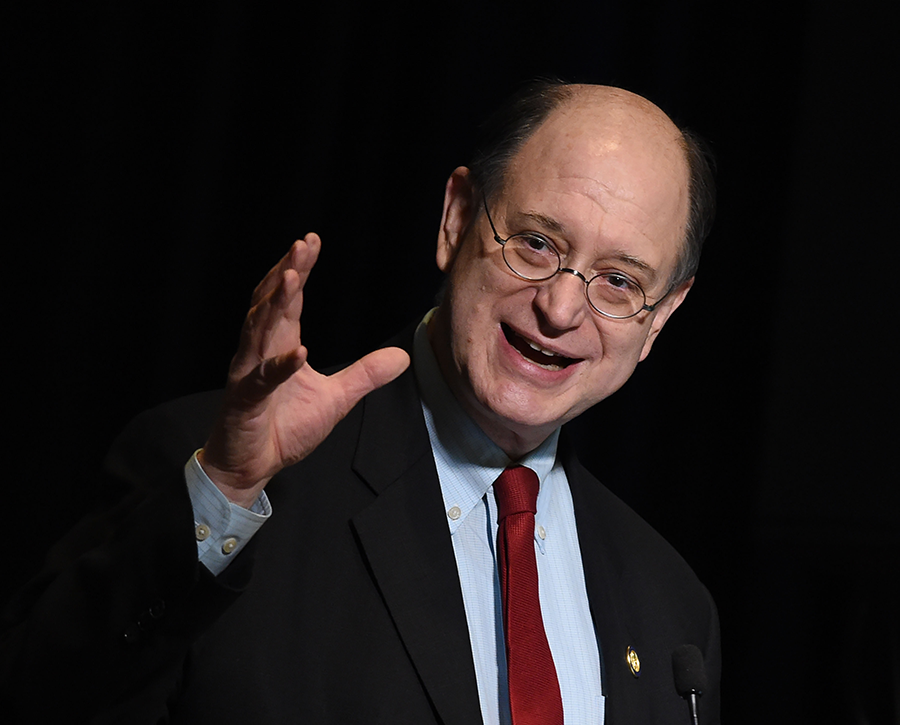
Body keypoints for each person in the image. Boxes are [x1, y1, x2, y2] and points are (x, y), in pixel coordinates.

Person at [1, 81, 721, 724]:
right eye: (535, 242)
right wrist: (221, 490)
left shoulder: (671, 609)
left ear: (659, 317)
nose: (562, 307)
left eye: (620, 281)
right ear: (456, 218)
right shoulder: (216, 477)